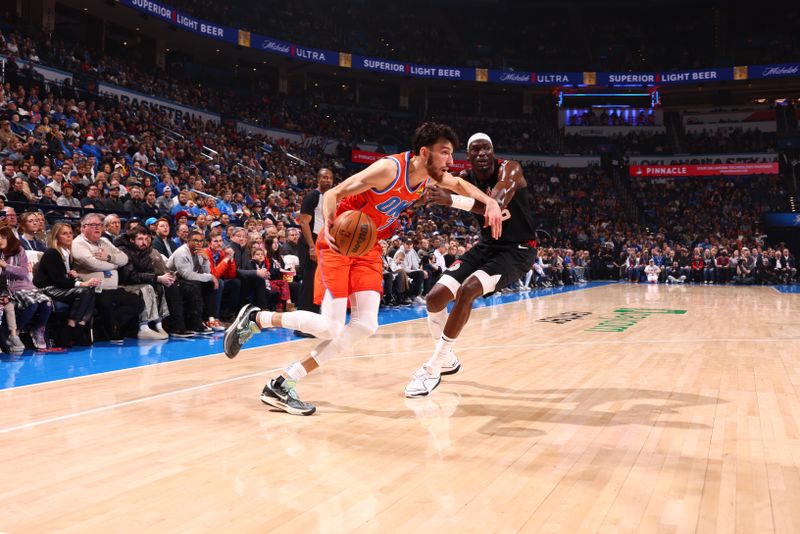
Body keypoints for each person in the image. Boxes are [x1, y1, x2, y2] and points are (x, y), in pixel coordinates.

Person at [223, 122, 502, 415]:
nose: (449, 161)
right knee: (330, 326)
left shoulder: (427, 175)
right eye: (444, 153)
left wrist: (490, 202)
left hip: (368, 246)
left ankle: (283, 383)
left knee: (366, 325)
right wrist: (329, 226)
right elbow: (334, 194)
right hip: (341, 241)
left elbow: (459, 185)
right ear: (423, 152)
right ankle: (258, 317)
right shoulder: (388, 170)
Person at [404, 132, 536, 397]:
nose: (481, 154)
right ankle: (449, 359)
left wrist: (450, 199)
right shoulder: (465, 179)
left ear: (493, 151)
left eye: (485, 148)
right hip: (488, 247)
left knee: (467, 290)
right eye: (475, 150)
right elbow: (435, 183)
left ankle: (434, 367)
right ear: (468, 155)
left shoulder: (510, 169)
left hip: (518, 251)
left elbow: (496, 203)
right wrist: (417, 197)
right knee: (434, 298)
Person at [33, 222, 100, 347]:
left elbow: (62, 278)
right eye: (64, 234)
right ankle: (71, 326)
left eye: (70, 233)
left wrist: (71, 275)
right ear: (56, 237)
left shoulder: (66, 253)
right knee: (85, 289)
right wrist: (82, 283)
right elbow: (58, 280)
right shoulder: (52, 253)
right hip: (47, 289)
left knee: (90, 290)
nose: (69, 236)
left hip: (59, 287)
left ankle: (80, 325)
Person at [0, 226, 53, 350]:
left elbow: (23, 272)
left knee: (47, 302)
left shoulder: (19, 251)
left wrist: (6, 266)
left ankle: (38, 329)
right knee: (32, 304)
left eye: (4, 237)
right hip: (12, 289)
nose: (1, 240)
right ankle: (15, 332)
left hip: (27, 286)